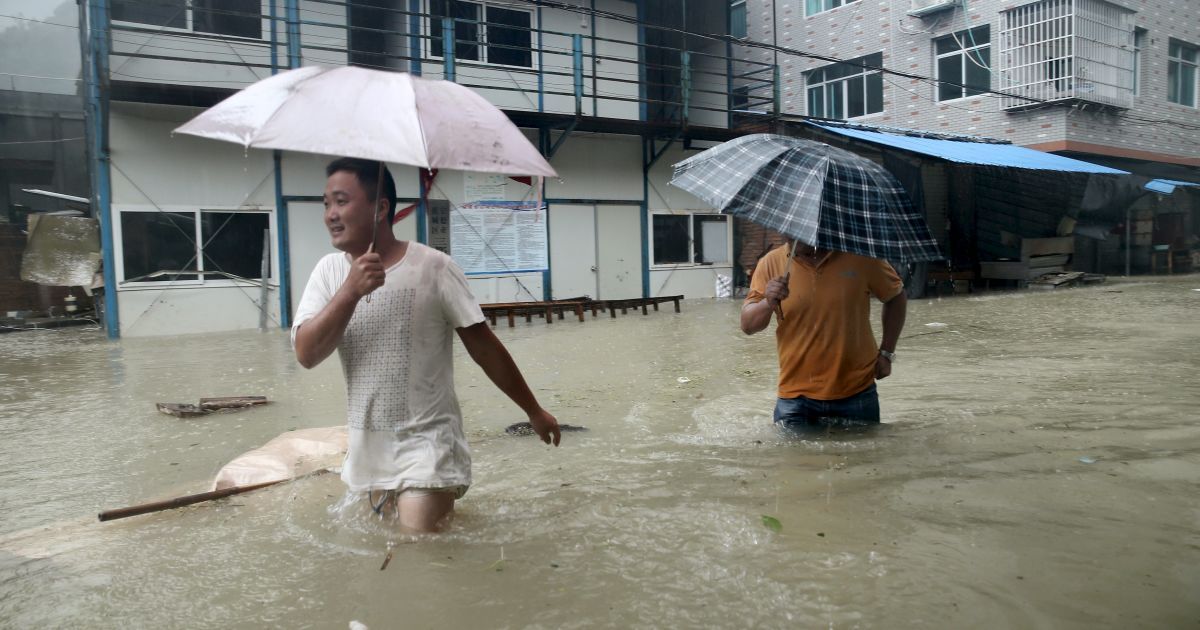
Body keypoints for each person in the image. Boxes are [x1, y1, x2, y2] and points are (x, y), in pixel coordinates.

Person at [292, 158, 561, 532]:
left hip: (428, 448)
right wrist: (350, 291)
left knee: (417, 555)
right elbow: (306, 354)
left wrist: (533, 410)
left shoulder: (434, 268)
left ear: (381, 208)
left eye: (341, 201)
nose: (330, 215)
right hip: (367, 452)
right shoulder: (328, 273)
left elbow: (484, 349)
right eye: (326, 204)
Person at [740, 241, 907, 429]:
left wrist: (887, 352)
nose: (795, 235)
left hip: (857, 391)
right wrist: (767, 302)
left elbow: (896, 296)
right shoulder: (771, 263)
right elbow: (748, 326)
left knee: (863, 458)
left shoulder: (862, 257)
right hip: (795, 398)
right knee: (793, 458)